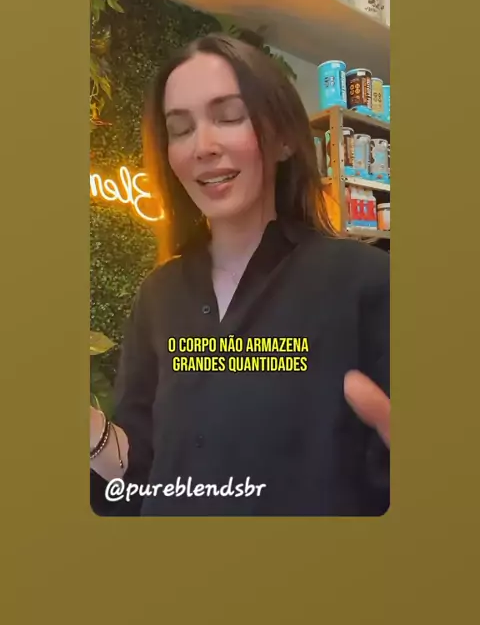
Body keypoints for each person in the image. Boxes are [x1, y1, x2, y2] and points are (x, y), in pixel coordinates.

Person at [90, 34, 390, 516]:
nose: (202, 147)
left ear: (284, 138)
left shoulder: (367, 282)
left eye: (229, 117)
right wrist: (91, 434)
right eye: (180, 129)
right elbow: (137, 472)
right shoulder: (158, 296)